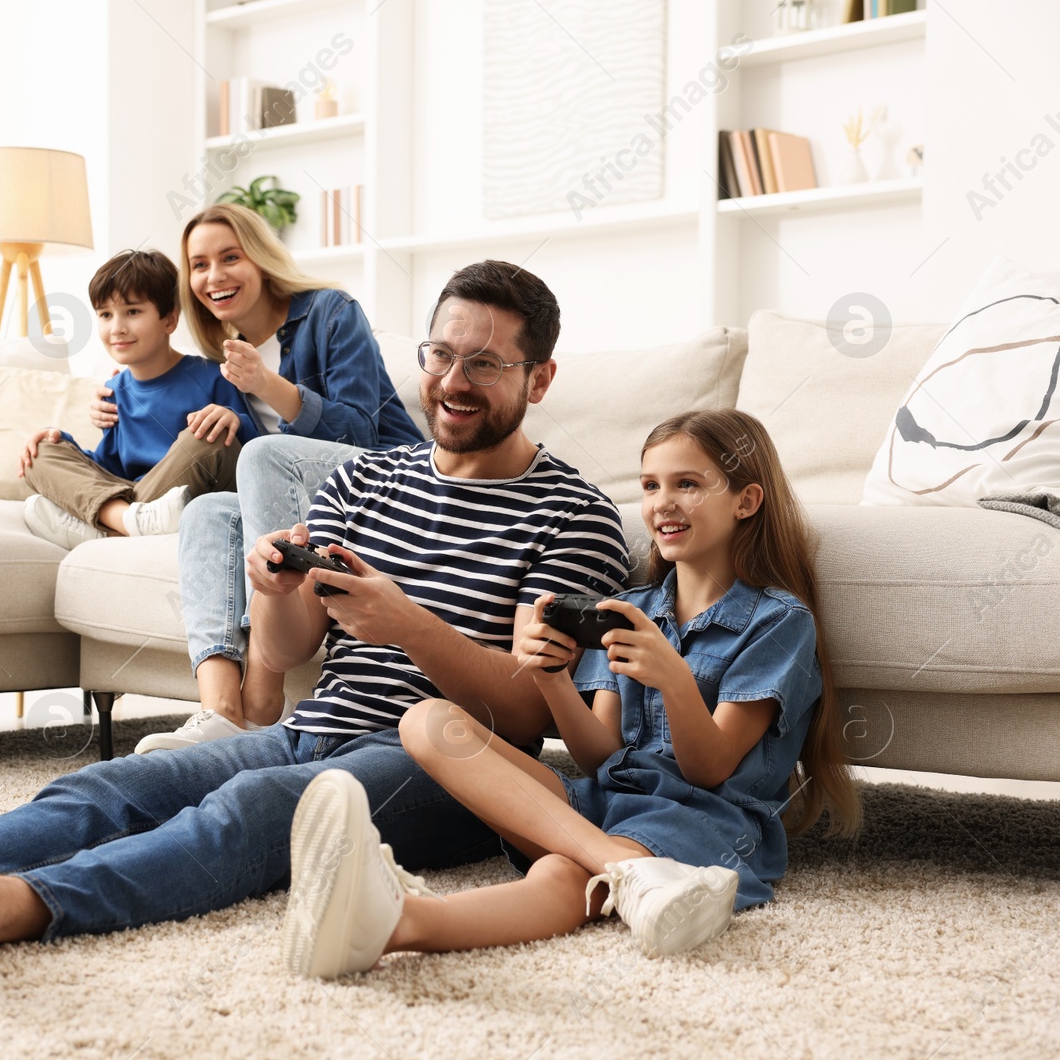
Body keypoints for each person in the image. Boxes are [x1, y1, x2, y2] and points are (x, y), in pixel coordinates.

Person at [0, 260, 628, 969]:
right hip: (316, 722)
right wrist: (277, 598)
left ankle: (0, 907)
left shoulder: (574, 515)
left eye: (484, 364)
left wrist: (406, 621)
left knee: (241, 813)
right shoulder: (371, 479)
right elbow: (291, 652)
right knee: (117, 782)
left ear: (538, 378)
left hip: (447, 766)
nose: (451, 382)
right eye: (440, 354)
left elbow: (533, 722)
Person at [282, 408, 864, 980]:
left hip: (701, 816)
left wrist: (675, 681)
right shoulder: (631, 610)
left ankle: (394, 925)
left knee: (564, 877)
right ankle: (631, 870)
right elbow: (598, 756)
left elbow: (711, 768)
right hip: (605, 800)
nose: (663, 501)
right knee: (427, 720)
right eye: (650, 485)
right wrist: (552, 680)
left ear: (746, 501)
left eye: (689, 484)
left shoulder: (778, 622)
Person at [117, 204, 423, 754]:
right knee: (205, 511)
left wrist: (270, 384)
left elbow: (358, 432)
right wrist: (110, 397)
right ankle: (221, 713)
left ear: (259, 258)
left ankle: (262, 694)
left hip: (388, 482)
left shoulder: (331, 312)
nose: (214, 277)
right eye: (200, 265)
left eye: (230, 257)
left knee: (261, 455)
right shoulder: (220, 355)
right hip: (309, 498)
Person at [18, 248, 261, 549]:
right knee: (41, 450)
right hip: (137, 494)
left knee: (208, 434)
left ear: (169, 320)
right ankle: (129, 522)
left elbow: (250, 452)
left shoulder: (211, 375)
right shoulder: (115, 389)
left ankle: (109, 526)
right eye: (106, 315)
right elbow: (110, 468)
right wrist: (61, 442)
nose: (117, 327)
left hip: (188, 494)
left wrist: (235, 419)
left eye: (132, 312)